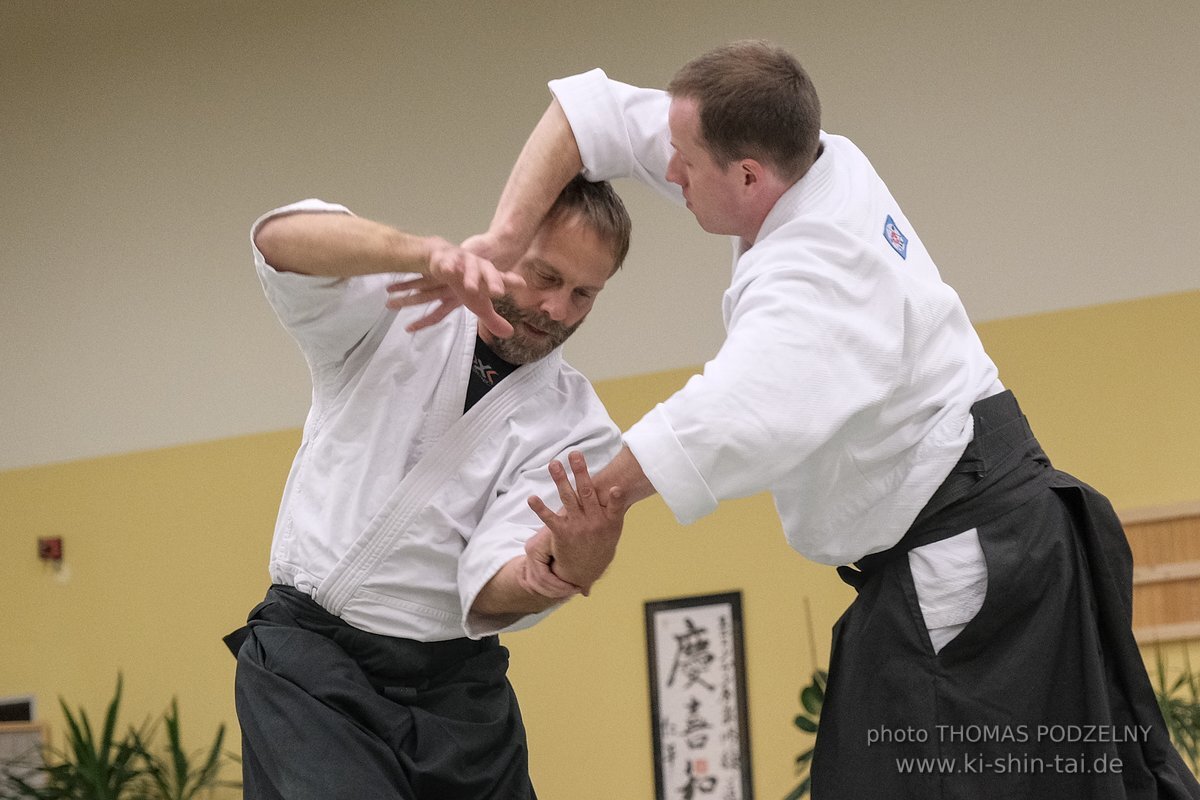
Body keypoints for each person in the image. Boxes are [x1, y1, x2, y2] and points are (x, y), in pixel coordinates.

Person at [418, 40, 1200, 799]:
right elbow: (590, 115)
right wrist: (506, 237)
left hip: (968, 563)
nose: (669, 170)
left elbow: (727, 415)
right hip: (978, 535)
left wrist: (597, 500)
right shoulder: (814, 159)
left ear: (749, 175)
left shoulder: (820, 270)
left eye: (684, 162)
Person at [226, 175, 632, 800]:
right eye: (546, 277)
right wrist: (422, 255)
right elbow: (278, 241)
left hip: (457, 692)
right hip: (311, 666)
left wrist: (565, 566)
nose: (559, 310)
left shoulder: (578, 427)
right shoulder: (396, 310)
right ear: (502, 245)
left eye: (585, 294)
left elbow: (495, 584)